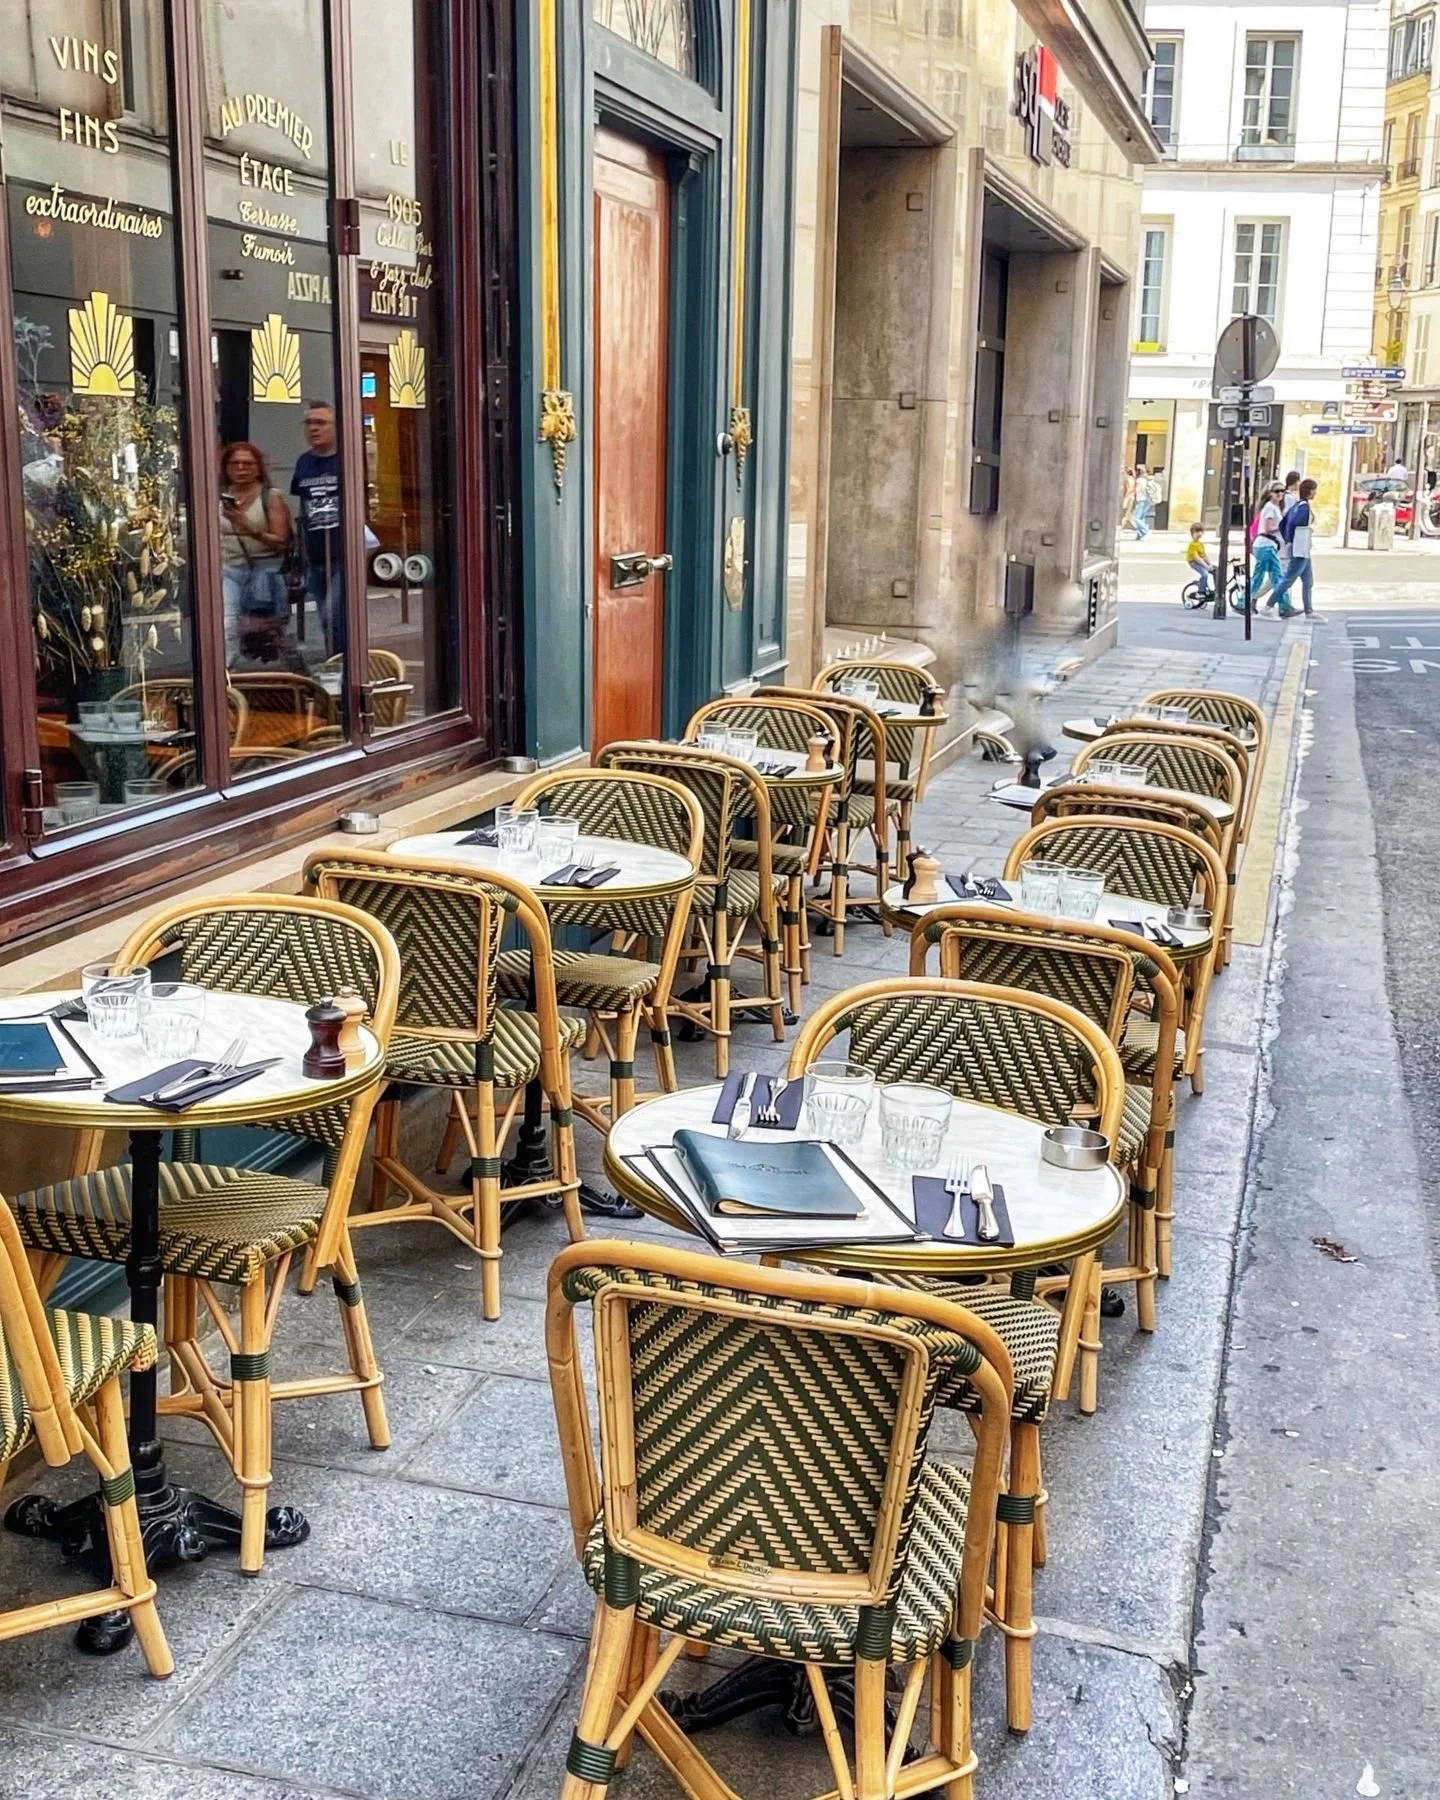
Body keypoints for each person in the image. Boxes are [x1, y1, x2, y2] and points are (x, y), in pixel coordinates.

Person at [218, 441, 293, 666]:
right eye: (235, 463)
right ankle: (226, 676)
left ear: (258, 468)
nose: (241, 468)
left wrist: (248, 527)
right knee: (228, 625)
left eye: (247, 464)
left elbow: (280, 542)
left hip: (264, 570)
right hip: (229, 568)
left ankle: (282, 674)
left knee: (268, 631)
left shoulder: (270, 497)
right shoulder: (220, 497)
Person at [291, 401, 344, 658]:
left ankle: (345, 665)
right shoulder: (303, 463)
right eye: (309, 423)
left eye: (320, 423)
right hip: (315, 555)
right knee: (325, 617)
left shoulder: (347, 460)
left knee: (335, 615)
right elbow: (303, 506)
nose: (313, 429)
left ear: (336, 427)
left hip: (343, 555)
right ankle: (336, 664)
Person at [1270, 477, 1320, 619]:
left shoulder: (1297, 505)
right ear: (1310, 491)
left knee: (1308, 580)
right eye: (1315, 490)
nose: (1315, 493)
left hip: (1302, 547)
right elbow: (1293, 523)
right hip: (1300, 548)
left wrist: (1288, 539)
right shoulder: (1303, 507)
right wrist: (1291, 540)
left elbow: (1284, 523)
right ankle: (1269, 605)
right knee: (1289, 578)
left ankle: (1309, 610)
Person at [1246, 481, 1286, 611]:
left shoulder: (1274, 507)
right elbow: (1268, 528)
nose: (1280, 493)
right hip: (1266, 545)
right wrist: (1282, 527)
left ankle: (1244, 602)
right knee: (1276, 577)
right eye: (1277, 491)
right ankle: (1284, 607)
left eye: (1282, 491)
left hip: (1267, 546)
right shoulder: (1270, 508)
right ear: (1270, 494)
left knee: (1265, 577)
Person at [1184, 522, 1215, 600]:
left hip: (1200, 562)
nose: (1199, 534)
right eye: (1197, 532)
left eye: (1201, 532)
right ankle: (1201, 591)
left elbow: (1204, 555)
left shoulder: (1200, 544)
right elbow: (1197, 557)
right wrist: (1206, 566)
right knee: (1204, 574)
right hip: (1193, 563)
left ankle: (1211, 590)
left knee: (1215, 570)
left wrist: (1210, 564)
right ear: (1192, 533)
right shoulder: (1192, 545)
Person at [1131, 464, 1153, 539]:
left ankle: (1145, 530)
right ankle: (1139, 534)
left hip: (1141, 500)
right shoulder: (1146, 479)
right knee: (1141, 518)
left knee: (1136, 518)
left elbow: (1137, 489)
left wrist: (1131, 493)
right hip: (1147, 501)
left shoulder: (1140, 480)